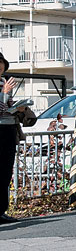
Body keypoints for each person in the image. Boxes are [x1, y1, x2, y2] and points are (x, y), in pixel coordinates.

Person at [0, 52, 24, 224]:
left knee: (6, 172)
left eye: (2, 65)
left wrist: (18, 108)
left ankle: (1, 210)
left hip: (8, 130)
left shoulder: (3, 82)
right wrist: (5, 93)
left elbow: (7, 106)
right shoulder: (4, 86)